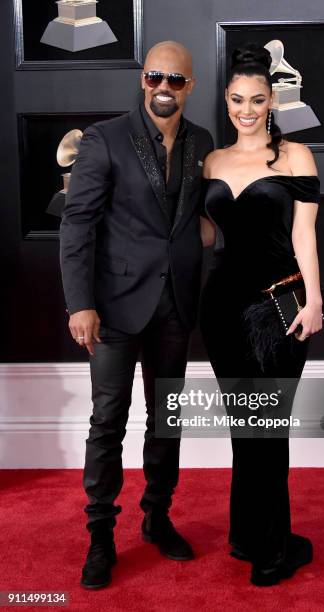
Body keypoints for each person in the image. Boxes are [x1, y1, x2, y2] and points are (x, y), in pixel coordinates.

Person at [59, 40, 214, 589]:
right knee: (108, 422)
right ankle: (101, 533)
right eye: (155, 78)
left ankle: (157, 516)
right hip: (115, 307)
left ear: (189, 85)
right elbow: (77, 224)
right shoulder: (105, 139)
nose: (164, 88)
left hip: (177, 304)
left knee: (166, 420)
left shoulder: (202, 142)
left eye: (176, 79)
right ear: (142, 81)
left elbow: (194, 217)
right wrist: (80, 303)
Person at [199, 43, 323, 587]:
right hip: (222, 309)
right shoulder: (213, 161)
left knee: (268, 429)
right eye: (235, 100)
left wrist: (315, 301)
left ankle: (275, 547)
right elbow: (207, 235)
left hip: (280, 305)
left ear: (271, 101)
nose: (245, 110)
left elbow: (304, 235)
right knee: (244, 430)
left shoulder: (295, 156)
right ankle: (249, 535)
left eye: (256, 99)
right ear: (226, 101)